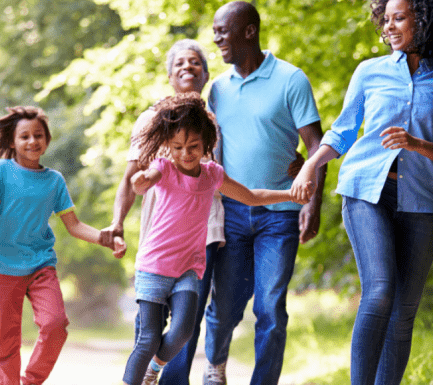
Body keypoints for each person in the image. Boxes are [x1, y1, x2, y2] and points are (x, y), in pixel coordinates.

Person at [291, 0, 433, 383]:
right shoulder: (369, 72)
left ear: (423, 20)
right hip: (365, 192)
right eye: (384, 19)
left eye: (398, 18)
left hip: (420, 203)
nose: (388, 26)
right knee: (381, 291)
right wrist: (310, 164)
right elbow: (342, 131)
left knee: (404, 312)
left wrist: (416, 143)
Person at [122, 93, 305, 385]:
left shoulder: (212, 175)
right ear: (168, 146)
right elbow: (146, 178)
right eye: (178, 147)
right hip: (155, 266)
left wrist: (289, 193)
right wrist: (140, 180)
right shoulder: (165, 168)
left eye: (193, 146)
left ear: (207, 143)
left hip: (187, 268)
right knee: (148, 338)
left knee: (183, 330)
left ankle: (153, 370)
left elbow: (251, 196)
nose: (185, 153)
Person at [203, 2, 325, 384]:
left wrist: (313, 205)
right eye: (215, 32)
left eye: (223, 31)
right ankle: (215, 365)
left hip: (281, 212)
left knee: (271, 306)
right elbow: (205, 151)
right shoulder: (218, 89)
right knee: (226, 307)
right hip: (233, 212)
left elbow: (317, 144)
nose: (217, 38)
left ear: (249, 31)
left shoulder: (291, 79)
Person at [99, 39, 222, 385]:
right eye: (179, 63)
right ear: (169, 76)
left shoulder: (214, 121)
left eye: (195, 62)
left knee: (187, 323)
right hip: (161, 236)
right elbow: (132, 178)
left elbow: (227, 176)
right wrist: (118, 223)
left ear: (206, 73)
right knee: (149, 332)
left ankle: (163, 377)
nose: (187, 67)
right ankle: (141, 376)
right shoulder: (152, 120)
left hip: (206, 233)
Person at [0, 106, 125, 385]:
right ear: (12, 142)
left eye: (38, 135)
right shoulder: (0, 170)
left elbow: (74, 225)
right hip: (2, 266)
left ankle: (31, 381)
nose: (32, 141)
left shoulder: (54, 180)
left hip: (39, 263)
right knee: (7, 341)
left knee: (55, 324)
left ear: (46, 140)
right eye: (24, 136)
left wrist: (106, 239)